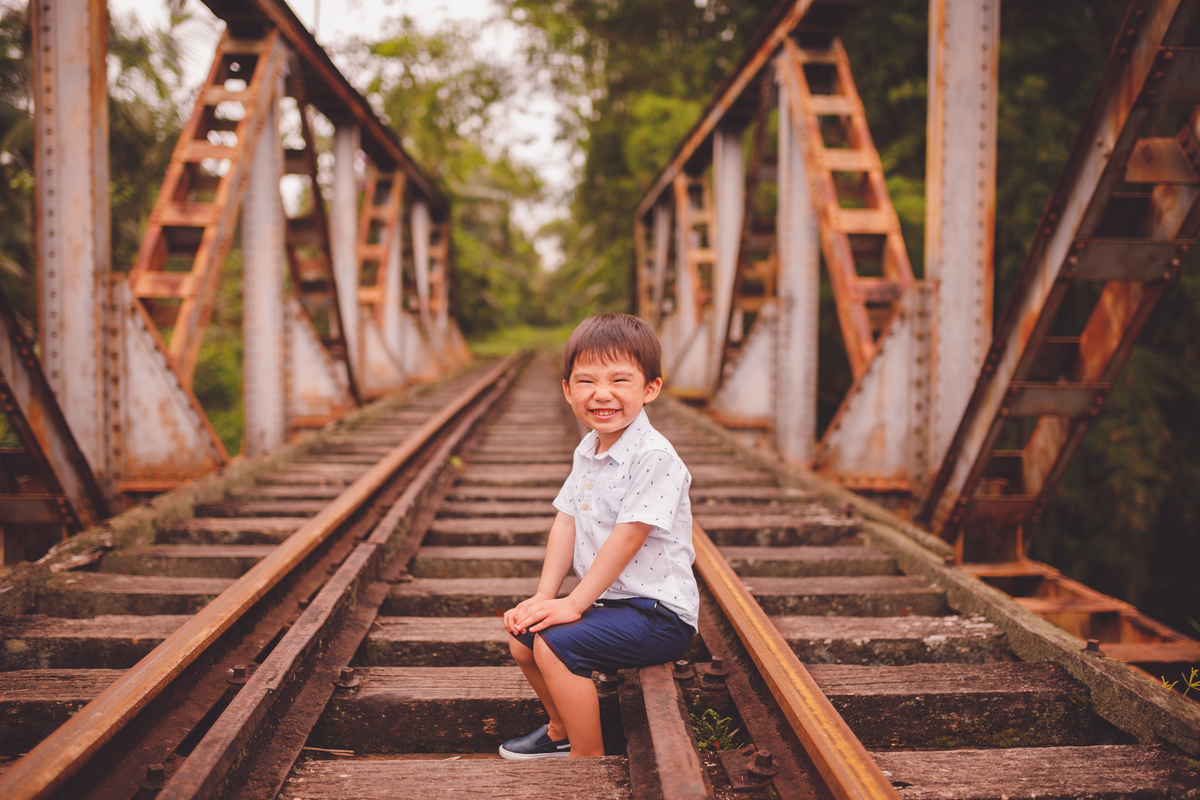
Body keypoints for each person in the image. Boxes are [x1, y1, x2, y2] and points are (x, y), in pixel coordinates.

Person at [499, 313, 698, 760]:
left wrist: (572, 604)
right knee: (524, 636)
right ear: (568, 389)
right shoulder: (589, 447)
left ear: (650, 389)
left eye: (619, 380)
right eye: (586, 381)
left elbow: (627, 539)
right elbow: (566, 520)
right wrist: (543, 595)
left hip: (659, 616)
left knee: (554, 644)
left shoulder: (654, 457)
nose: (602, 394)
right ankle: (560, 729)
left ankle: (586, 759)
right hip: (615, 606)